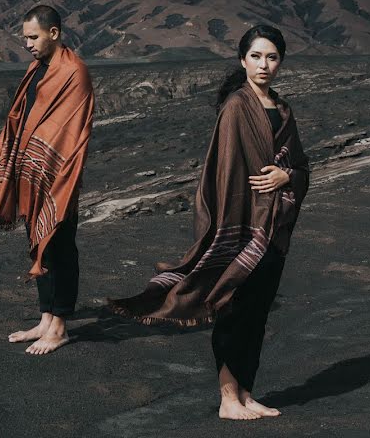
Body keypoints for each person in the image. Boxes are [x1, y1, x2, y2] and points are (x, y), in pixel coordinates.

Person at [108, 25, 310, 420]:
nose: (263, 65)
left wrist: (288, 176)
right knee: (232, 308)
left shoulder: (284, 111)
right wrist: (228, 224)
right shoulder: (236, 107)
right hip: (240, 225)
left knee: (258, 311)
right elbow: (224, 171)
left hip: (274, 228)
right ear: (242, 60)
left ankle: (247, 393)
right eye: (255, 56)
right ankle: (227, 399)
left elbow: (300, 165)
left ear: (281, 62)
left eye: (271, 57)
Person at [0, 4, 94, 355]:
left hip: (58, 177)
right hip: (30, 174)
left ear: (53, 34)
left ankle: (59, 327)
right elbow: (23, 119)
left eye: (33, 37)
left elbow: (71, 130)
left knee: (59, 246)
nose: (26, 43)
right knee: (37, 241)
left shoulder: (74, 72)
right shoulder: (36, 70)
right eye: (24, 37)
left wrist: (45, 166)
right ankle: (45, 319)